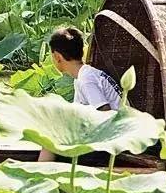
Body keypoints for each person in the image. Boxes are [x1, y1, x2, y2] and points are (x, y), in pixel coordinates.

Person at [39, 27, 122, 161]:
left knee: (49, 139)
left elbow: (106, 113)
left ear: (57, 57)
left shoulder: (86, 79)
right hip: (107, 137)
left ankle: (39, 176)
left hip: (112, 144)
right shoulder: (85, 75)